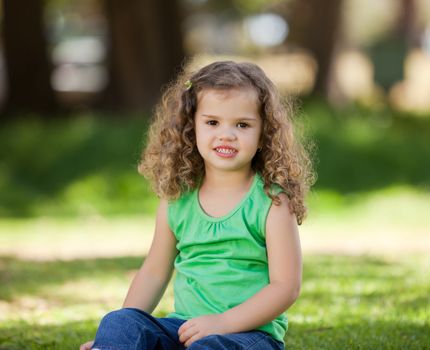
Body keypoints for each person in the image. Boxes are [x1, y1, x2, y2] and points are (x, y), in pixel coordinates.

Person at [80, 60, 315, 350]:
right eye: (212, 122)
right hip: (185, 328)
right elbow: (153, 272)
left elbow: (285, 287)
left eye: (242, 124)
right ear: (192, 127)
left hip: (249, 335)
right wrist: (121, 336)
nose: (226, 134)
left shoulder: (272, 201)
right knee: (119, 322)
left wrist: (224, 323)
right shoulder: (177, 198)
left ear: (263, 133)